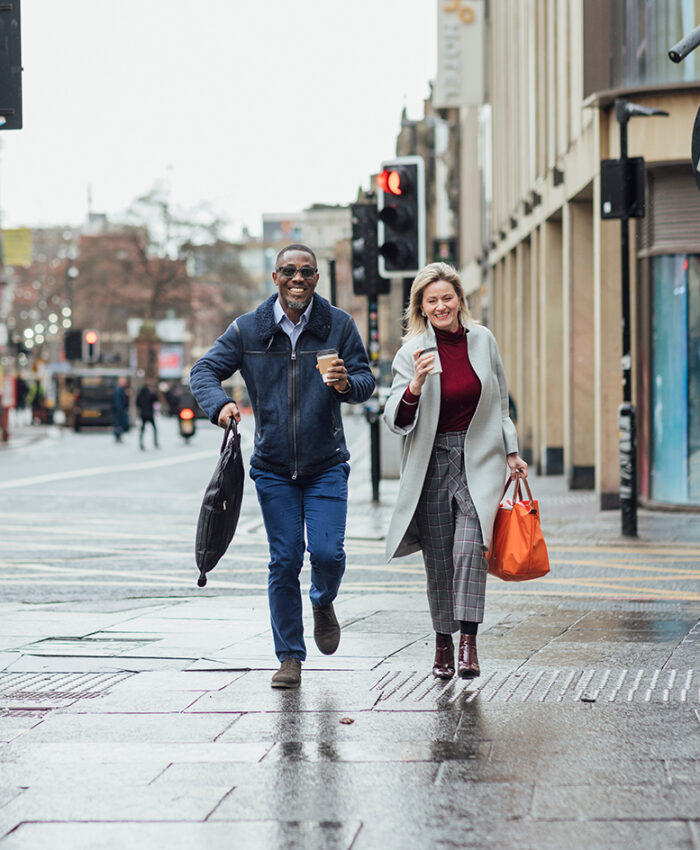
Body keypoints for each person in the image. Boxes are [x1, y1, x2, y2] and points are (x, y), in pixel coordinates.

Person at [190, 243, 375, 689]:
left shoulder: (338, 325)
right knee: (285, 558)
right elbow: (202, 371)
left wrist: (348, 384)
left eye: (306, 272)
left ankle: (322, 599)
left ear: (316, 278)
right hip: (273, 468)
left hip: (326, 464)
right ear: (275, 278)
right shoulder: (248, 330)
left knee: (328, 554)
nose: (298, 279)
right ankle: (289, 656)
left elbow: (367, 381)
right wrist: (220, 405)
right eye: (288, 271)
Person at [383, 263, 528, 681]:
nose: (441, 305)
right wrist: (414, 387)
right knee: (439, 564)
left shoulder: (483, 341)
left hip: (477, 458)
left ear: (460, 301)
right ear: (422, 308)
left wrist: (512, 450)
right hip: (431, 464)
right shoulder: (411, 352)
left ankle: (468, 643)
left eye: (447, 298)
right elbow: (395, 418)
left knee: (470, 551)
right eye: (432, 301)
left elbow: (500, 401)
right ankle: (442, 643)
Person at [136, 382, 159, 450]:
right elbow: (156, 399)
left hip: (143, 414)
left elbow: (137, 403)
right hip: (149, 414)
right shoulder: (150, 394)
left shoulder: (140, 394)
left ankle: (141, 444)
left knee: (142, 430)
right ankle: (155, 443)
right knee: (154, 429)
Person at [112, 377, 130, 443]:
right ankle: (118, 437)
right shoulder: (118, 390)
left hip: (121, 410)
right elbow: (118, 401)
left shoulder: (121, 389)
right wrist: (120, 410)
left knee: (120, 424)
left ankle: (118, 437)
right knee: (118, 424)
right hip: (120, 411)